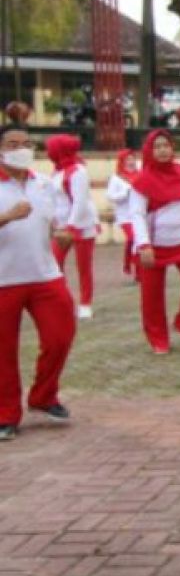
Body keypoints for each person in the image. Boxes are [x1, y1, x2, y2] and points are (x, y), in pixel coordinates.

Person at [0, 125, 76, 441]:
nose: (21, 148)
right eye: (13, 143)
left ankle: (43, 396)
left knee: (61, 335)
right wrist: (7, 217)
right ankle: (6, 415)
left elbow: (53, 223)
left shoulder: (43, 184)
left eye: (27, 143)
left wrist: (61, 236)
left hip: (45, 274)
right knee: (4, 352)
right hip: (4, 279)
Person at [130, 130, 180, 354]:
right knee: (152, 296)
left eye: (166, 145)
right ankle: (158, 339)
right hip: (154, 246)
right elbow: (136, 214)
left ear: (173, 148)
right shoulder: (142, 181)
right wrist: (144, 244)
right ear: (149, 151)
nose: (163, 150)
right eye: (157, 147)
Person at [46, 134, 98, 319]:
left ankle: (85, 303)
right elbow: (54, 200)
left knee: (83, 266)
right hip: (61, 227)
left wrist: (72, 225)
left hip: (81, 225)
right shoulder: (57, 172)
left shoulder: (78, 171)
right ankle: (61, 300)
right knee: (53, 262)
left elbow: (80, 202)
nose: (47, 152)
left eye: (50, 148)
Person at [106, 148, 140, 284]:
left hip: (138, 213)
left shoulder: (140, 174)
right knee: (133, 238)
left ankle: (137, 272)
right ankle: (129, 265)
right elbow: (110, 196)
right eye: (128, 160)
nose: (131, 162)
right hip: (125, 215)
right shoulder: (116, 178)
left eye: (132, 159)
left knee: (138, 241)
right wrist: (125, 193)